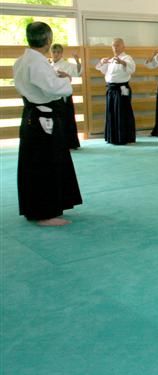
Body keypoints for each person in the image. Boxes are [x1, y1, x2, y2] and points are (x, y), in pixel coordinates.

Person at [14, 22, 82, 226]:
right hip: (42, 117)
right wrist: (66, 80)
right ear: (48, 40)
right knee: (45, 163)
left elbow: (41, 84)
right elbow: (54, 89)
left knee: (35, 162)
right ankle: (44, 213)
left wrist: (56, 78)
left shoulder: (22, 61)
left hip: (32, 115)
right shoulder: (37, 63)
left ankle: (38, 208)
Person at [96, 38, 137, 145]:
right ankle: (113, 137)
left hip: (122, 89)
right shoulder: (111, 60)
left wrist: (122, 62)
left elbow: (132, 69)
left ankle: (125, 137)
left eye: (118, 45)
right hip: (111, 89)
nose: (115, 47)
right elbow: (102, 71)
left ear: (123, 46)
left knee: (123, 112)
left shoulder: (127, 58)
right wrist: (102, 62)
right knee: (112, 112)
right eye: (114, 45)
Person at [49, 43, 81, 149]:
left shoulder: (66, 64)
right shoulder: (48, 65)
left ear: (62, 53)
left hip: (64, 96)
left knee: (67, 119)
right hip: (52, 96)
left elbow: (78, 72)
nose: (56, 54)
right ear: (51, 52)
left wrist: (77, 61)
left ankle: (70, 143)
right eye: (54, 52)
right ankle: (57, 143)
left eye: (58, 52)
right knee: (56, 121)